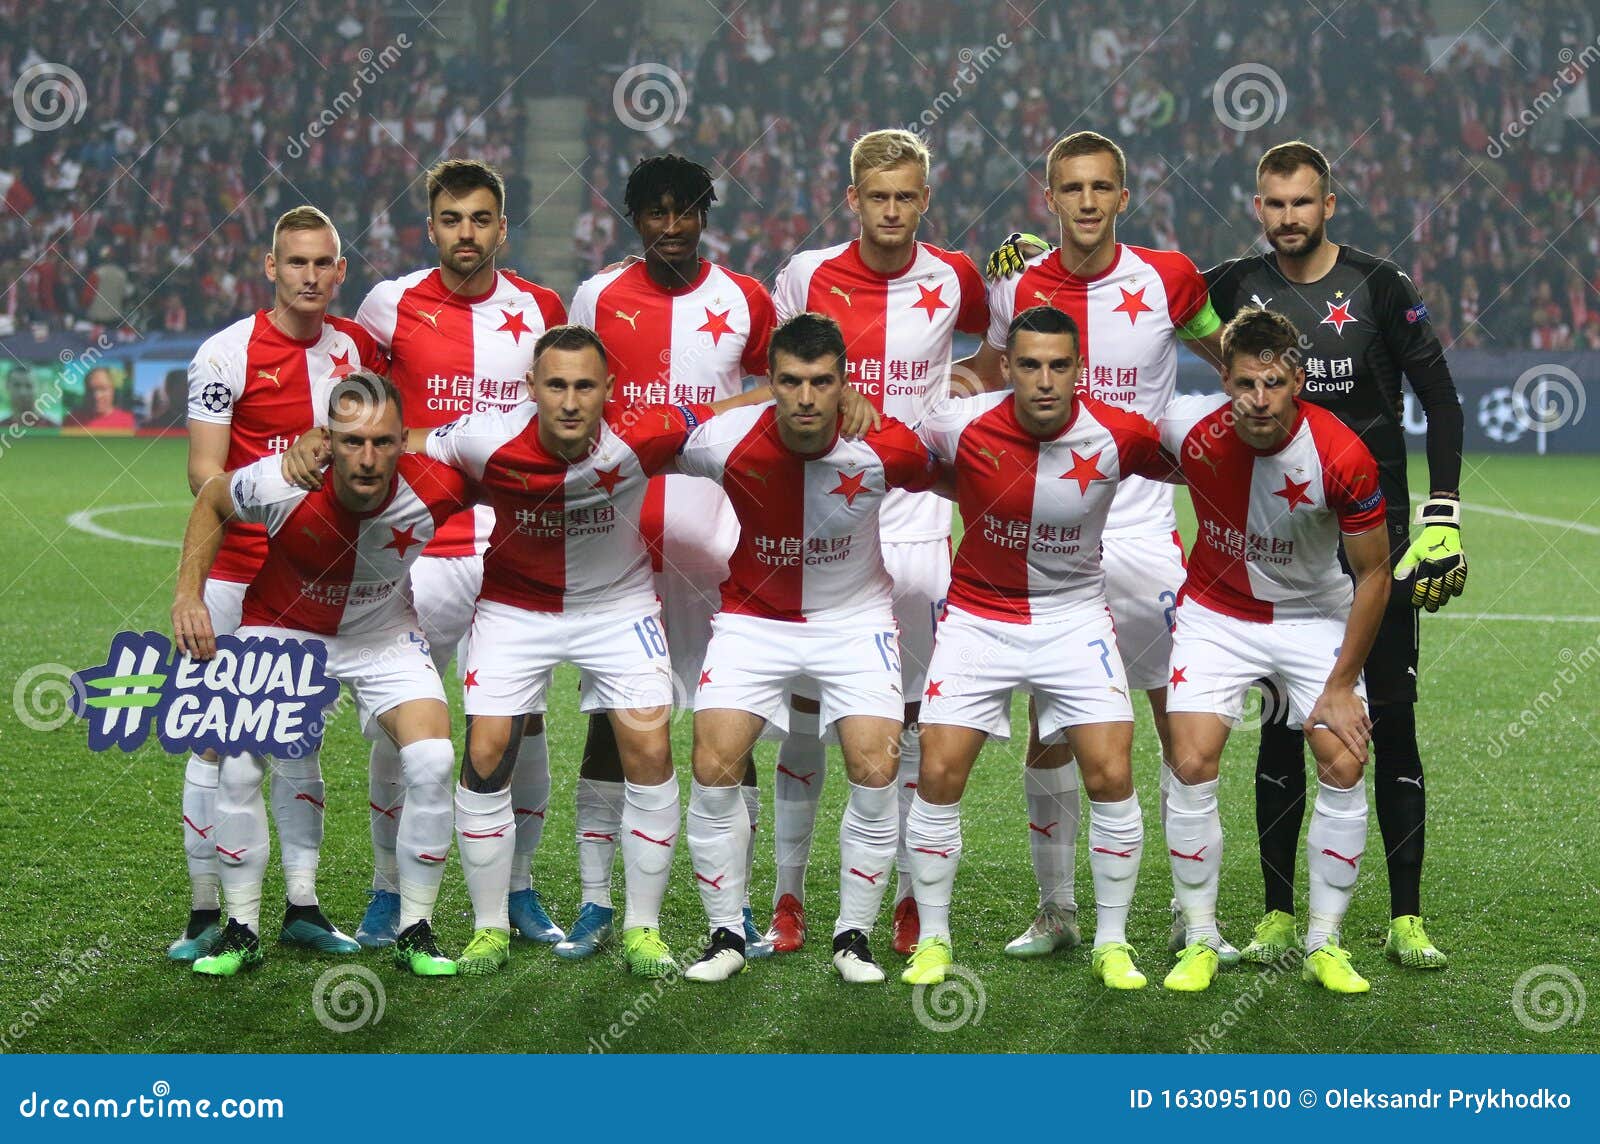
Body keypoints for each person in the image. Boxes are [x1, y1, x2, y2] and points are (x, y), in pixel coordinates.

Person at [973, 130, 1234, 963]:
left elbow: (1232, 359)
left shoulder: (1171, 278)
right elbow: (985, 373)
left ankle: (1196, 921)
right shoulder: (1018, 281)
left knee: (1180, 730)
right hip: (1049, 542)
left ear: (1124, 197)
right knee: (1055, 731)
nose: (1086, 202)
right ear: (1048, 199)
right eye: (1070, 189)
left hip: (1142, 533)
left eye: (1102, 188)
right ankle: (1057, 911)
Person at [1204, 140, 1464, 969]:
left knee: (1388, 719)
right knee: (1285, 726)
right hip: (1277, 548)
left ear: (1329, 205)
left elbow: (1441, 399)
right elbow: (1139, 296)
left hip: (1372, 542)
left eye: (1302, 203)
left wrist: (1445, 514)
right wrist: (1039, 267)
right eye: (1274, 205)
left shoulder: (1381, 286)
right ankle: (1280, 916)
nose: (1288, 219)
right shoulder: (1234, 286)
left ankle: (1406, 917)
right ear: (1258, 207)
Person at [905, 306, 1179, 990]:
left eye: (1060, 366)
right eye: (1030, 365)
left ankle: (1111, 943)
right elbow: (912, 466)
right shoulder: (958, 423)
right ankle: (933, 941)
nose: (1046, 380)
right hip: (977, 619)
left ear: (1079, 369)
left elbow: (1211, 468)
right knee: (938, 774)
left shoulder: (1122, 433)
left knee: (1113, 775)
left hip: (1074, 618)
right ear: (1007, 367)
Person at [767, 128, 988, 957]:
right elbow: (783, 368)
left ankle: (902, 897)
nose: (892, 212)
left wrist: (967, 383)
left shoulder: (954, 276)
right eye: (877, 197)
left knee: (907, 718)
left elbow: (996, 343)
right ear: (852, 198)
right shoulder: (807, 276)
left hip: (919, 515)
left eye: (907, 197)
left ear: (924, 201)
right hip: (823, 512)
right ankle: (788, 899)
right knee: (804, 711)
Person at [673, 313, 940, 984]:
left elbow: (956, 473)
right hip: (753, 619)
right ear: (770, 383)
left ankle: (853, 936)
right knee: (712, 765)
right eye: (789, 381)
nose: (806, 397)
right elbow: (649, 435)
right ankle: (725, 934)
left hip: (855, 620)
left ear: (846, 383)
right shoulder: (724, 441)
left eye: (822, 382)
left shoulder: (885, 445)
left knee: (877, 769)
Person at [172, 374, 468, 978]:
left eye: (384, 442)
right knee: (237, 761)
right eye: (352, 441)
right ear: (326, 440)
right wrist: (188, 597)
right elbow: (212, 500)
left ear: (402, 442)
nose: (368, 457)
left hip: (383, 637)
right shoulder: (284, 480)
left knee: (434, 760)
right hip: (280, 629)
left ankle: (417, 929)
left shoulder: (438, 484)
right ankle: (240, 927)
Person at [348, 158, 568, 949]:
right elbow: (356, 417)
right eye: (451, 219)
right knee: (398, 725)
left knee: (522, 722)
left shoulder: (542, 308)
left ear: (502, 227)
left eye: (480, 219)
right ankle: (386, 889)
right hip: (420, 549)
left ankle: (517, 886)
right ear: (431, 225)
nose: (465, 233)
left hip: (515, 546)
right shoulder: (388, 306)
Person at [563, 154, 778, 960]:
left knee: (730, 721)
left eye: (687, 210)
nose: (673, 226)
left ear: (706, 213)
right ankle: (595, 904)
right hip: (616, 536)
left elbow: (774, 391)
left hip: (718, 533)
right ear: (633, 218)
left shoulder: (745, 298)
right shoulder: (597, 297)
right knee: (613, 718)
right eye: (656, 212)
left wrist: (695, 413)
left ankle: (738, 910)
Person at [174, 204, 385, 962]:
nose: (309, 276)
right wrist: (279, 482)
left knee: (297, 745)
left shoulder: (357, 348)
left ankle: (302, 903)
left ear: (339, 270)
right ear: (270, 267)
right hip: (236, 579)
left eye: (322, 263)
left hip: (317, 585)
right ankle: (205, 911)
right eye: (295, 262)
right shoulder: (225, 354)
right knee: (213, 744)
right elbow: (205, 475)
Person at [1158, 309, 1390, 995]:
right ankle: (1200, 936)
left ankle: (1324, 941)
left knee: (1343, 758)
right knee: (1193, 757)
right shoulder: (1194, 434)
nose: (1258, 399)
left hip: (1313, 615)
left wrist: (1342, 686)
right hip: (1215, 612)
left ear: (1298, 380)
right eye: (1244, 384)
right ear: (1224, 380)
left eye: (1273, 384)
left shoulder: (1342, 454)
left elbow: (1375, 573)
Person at [71, 367, 136, 430]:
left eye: (103, 389)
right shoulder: (72, 421)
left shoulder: (130, 422)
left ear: (113, 390)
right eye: (91, 390)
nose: (96, 396)